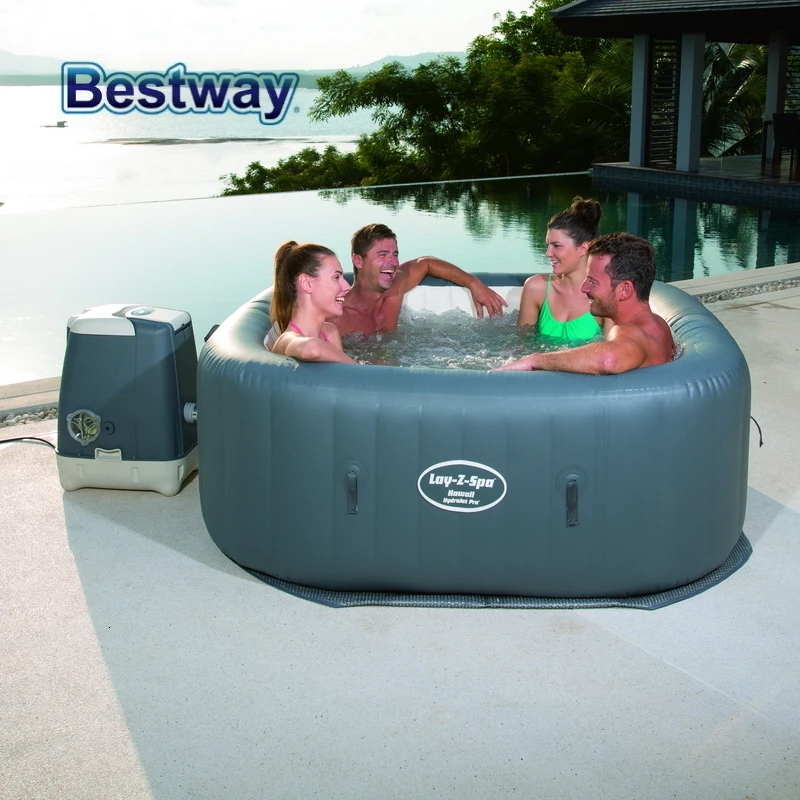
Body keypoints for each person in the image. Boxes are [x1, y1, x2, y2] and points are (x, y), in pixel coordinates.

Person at [493, 232, 674, 374]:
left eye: (592, 281)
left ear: (625, 289)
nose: (584, 288)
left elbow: (608, 360)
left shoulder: (627, 331)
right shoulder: (659, 325)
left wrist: (535, 360)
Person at [332, 223, 508, 336]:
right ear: (358, 261)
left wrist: (474, 283)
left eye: (395, 254)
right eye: (383, 254)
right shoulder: (338, 318)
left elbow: (426, 263)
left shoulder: (395, 288)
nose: (393, 262)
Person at [518, 196, 605, 343]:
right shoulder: (536, 288)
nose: (547, 253)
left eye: (556, 246)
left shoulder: (603, 297)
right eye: (547, 245)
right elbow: (521, 345)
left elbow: (612, 351)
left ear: (583, 248)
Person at [265, 241, 357, 364]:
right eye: (336, 277)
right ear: (307, 283)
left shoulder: (330, 331)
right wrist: (359, 368)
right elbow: (312, 349)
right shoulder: (286, 340)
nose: (347, 286)